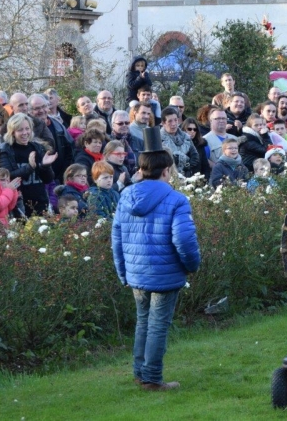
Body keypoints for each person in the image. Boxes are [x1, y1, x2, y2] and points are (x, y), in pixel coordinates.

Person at [111, 128, 200, 391]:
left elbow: (116, 237)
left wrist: (122, 272)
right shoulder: (176, 199)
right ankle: (151, 378)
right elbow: (184, 240)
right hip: (165, 273)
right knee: (158, 325)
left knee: (143, 321)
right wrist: (192, 265)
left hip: (136, 272)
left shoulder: (126, 195)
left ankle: (140, 374)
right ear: (166, 171)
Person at [0, 113, 58, 216]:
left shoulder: (38, 148)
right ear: (12, 132)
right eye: (20, 130)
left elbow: (48, 179)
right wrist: (30, 167)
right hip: (19, 204)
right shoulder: (6, 150)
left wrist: (44, 165)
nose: (25, 133)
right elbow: (8, 176)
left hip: (40, 202)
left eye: (27, 128)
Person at [160, 107, 199, 177]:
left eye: (175, 120)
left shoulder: (186, 137)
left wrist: (187, 167)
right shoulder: (158, 139)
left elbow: (195, 156)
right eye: (170, 121)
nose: (174, 124)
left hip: (186, 175)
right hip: (167, 176)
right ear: (163, 123)